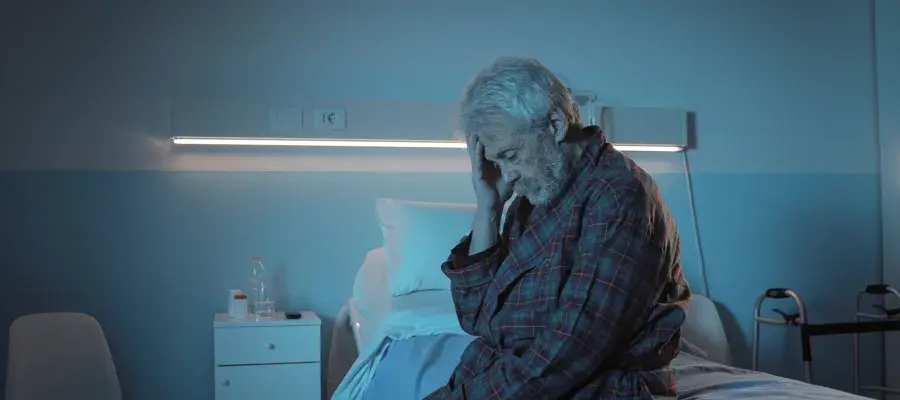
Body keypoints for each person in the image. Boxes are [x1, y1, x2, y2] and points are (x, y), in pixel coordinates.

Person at [424, 57, 692, 400]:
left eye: (510, 155)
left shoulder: (619, 195)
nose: (507, 175)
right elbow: (475, 316)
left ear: (555, 124)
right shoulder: (536, 192)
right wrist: (489, 207)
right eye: (495, 161)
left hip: (593, 388)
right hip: (522, 379)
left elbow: (570, 351)